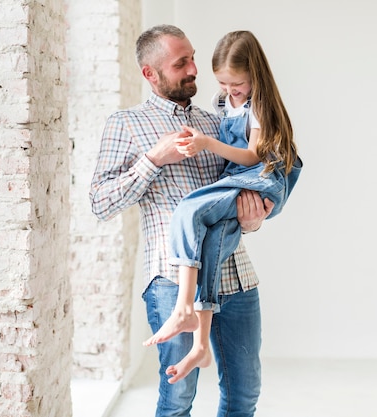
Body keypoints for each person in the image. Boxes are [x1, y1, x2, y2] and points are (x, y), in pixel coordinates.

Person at [90, 25, 271, 417]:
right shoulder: (125, 125)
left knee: (245, 394)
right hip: (172, 282)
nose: (193, 69)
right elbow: (100, 203)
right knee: (177, 398)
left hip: (235, 274)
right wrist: (153, 159)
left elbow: (236, 192)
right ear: (150, 74)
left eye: (192, 57)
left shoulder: (217, 122)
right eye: (180, 63)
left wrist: (253, 220)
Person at [142, 30, 303, 384]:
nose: (232, 91)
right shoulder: (221, 102)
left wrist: (207, 144)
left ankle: (185, 307)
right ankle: (200, 343)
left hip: (258, 177)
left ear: (255, 76)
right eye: (225, 84)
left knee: (188, 210)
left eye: (238, 84)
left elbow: (252, 155)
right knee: (212, 243)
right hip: (237, 180)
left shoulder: (257, 104)